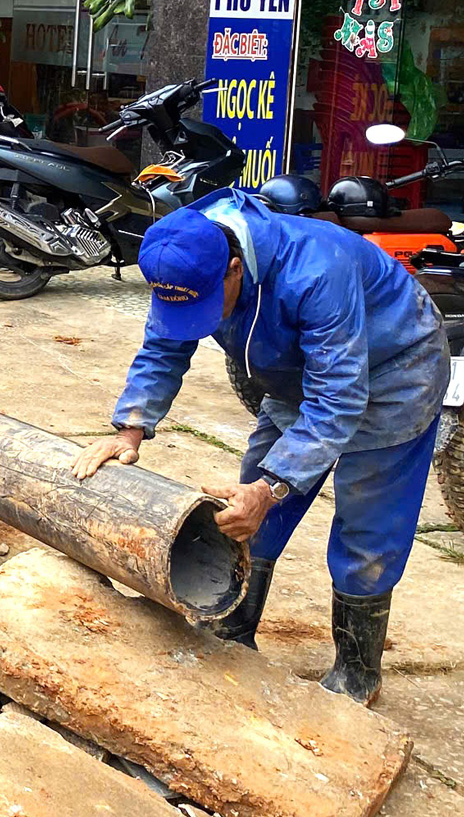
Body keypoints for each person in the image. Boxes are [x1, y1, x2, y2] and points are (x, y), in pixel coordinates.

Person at [74, 189, 447, 706]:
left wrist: (273, 485)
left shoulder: (315, 270)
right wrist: (129, 429)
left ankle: (357, 673)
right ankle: (234, 626)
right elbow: (163, 344)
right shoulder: (185, 251)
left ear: (233, 269)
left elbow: (338, 399)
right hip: (299, 375)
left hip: (395, 371)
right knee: (245, 506)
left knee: (366, 518)